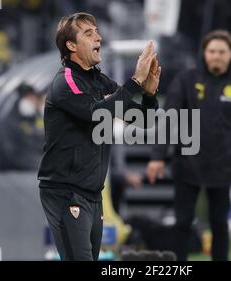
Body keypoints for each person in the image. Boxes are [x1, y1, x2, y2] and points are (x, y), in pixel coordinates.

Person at [37, 12, 160, 261]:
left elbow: (144, 119)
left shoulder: (99, 81)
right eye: (88, 33)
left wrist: (148, 94)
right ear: (71, 45)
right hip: (65, 191)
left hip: (93, 193)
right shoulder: (66, 81)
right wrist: (135, 80)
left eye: (97, 31)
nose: (99, 38)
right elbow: (97, 113)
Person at [146, 30, 231, 261]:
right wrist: (158, 156)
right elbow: (169, 119)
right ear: (204, 53)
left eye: (221, 52)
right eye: (212, 51)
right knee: (182, 222)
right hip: (187, 164)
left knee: (219, 224)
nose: (216, 56)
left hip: (222, 165)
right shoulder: (186, 80)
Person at [0, 83, 45, 171]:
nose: (33, 101)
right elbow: (27, 141)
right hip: (19, 157)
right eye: (30, 98)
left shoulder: (34, 115)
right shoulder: (12, 119)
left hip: (34, 154)